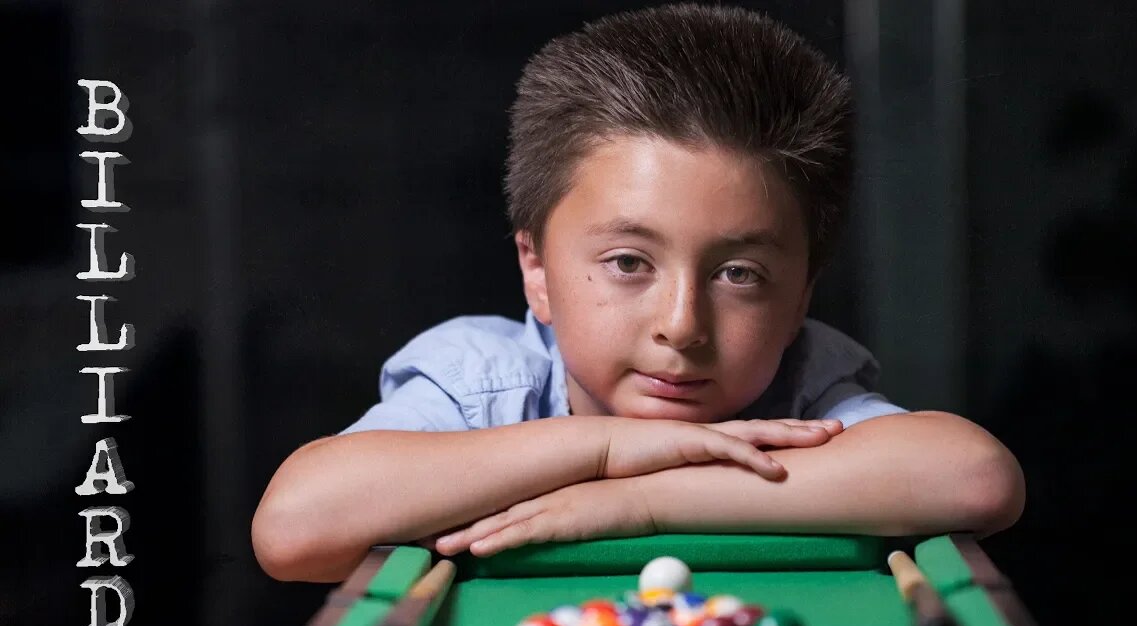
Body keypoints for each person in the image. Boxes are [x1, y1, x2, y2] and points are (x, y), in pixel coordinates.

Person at [252, 3, 1024, 583]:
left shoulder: (804, 385)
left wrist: (645, 501)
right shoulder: (483, 383)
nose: (682, 326)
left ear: (799, 300)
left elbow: (975, 477)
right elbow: (294, 528)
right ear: (537, 271)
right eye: (627, 262)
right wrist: (610, 448)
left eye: (739, 275)